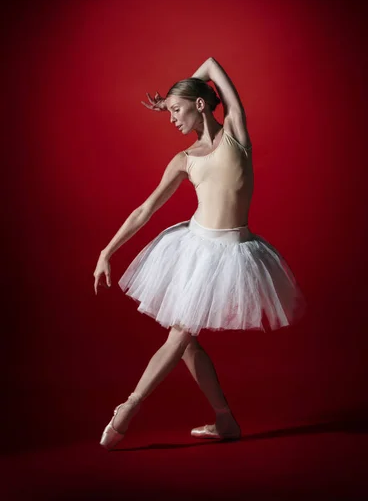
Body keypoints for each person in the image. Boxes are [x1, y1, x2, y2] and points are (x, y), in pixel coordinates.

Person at [94, 57, 305, 450]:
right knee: (186, 340)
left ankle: (127, 408)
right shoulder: (184, 160)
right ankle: (225, 420)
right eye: (169, 112)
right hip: (193, 248)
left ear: (202, 105)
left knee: (180, 334)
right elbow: (145, 210)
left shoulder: (236, 134)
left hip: (231, 253)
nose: (171, 118)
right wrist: (108, 250)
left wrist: (180, 91)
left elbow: (210, 64)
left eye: (177, 110)